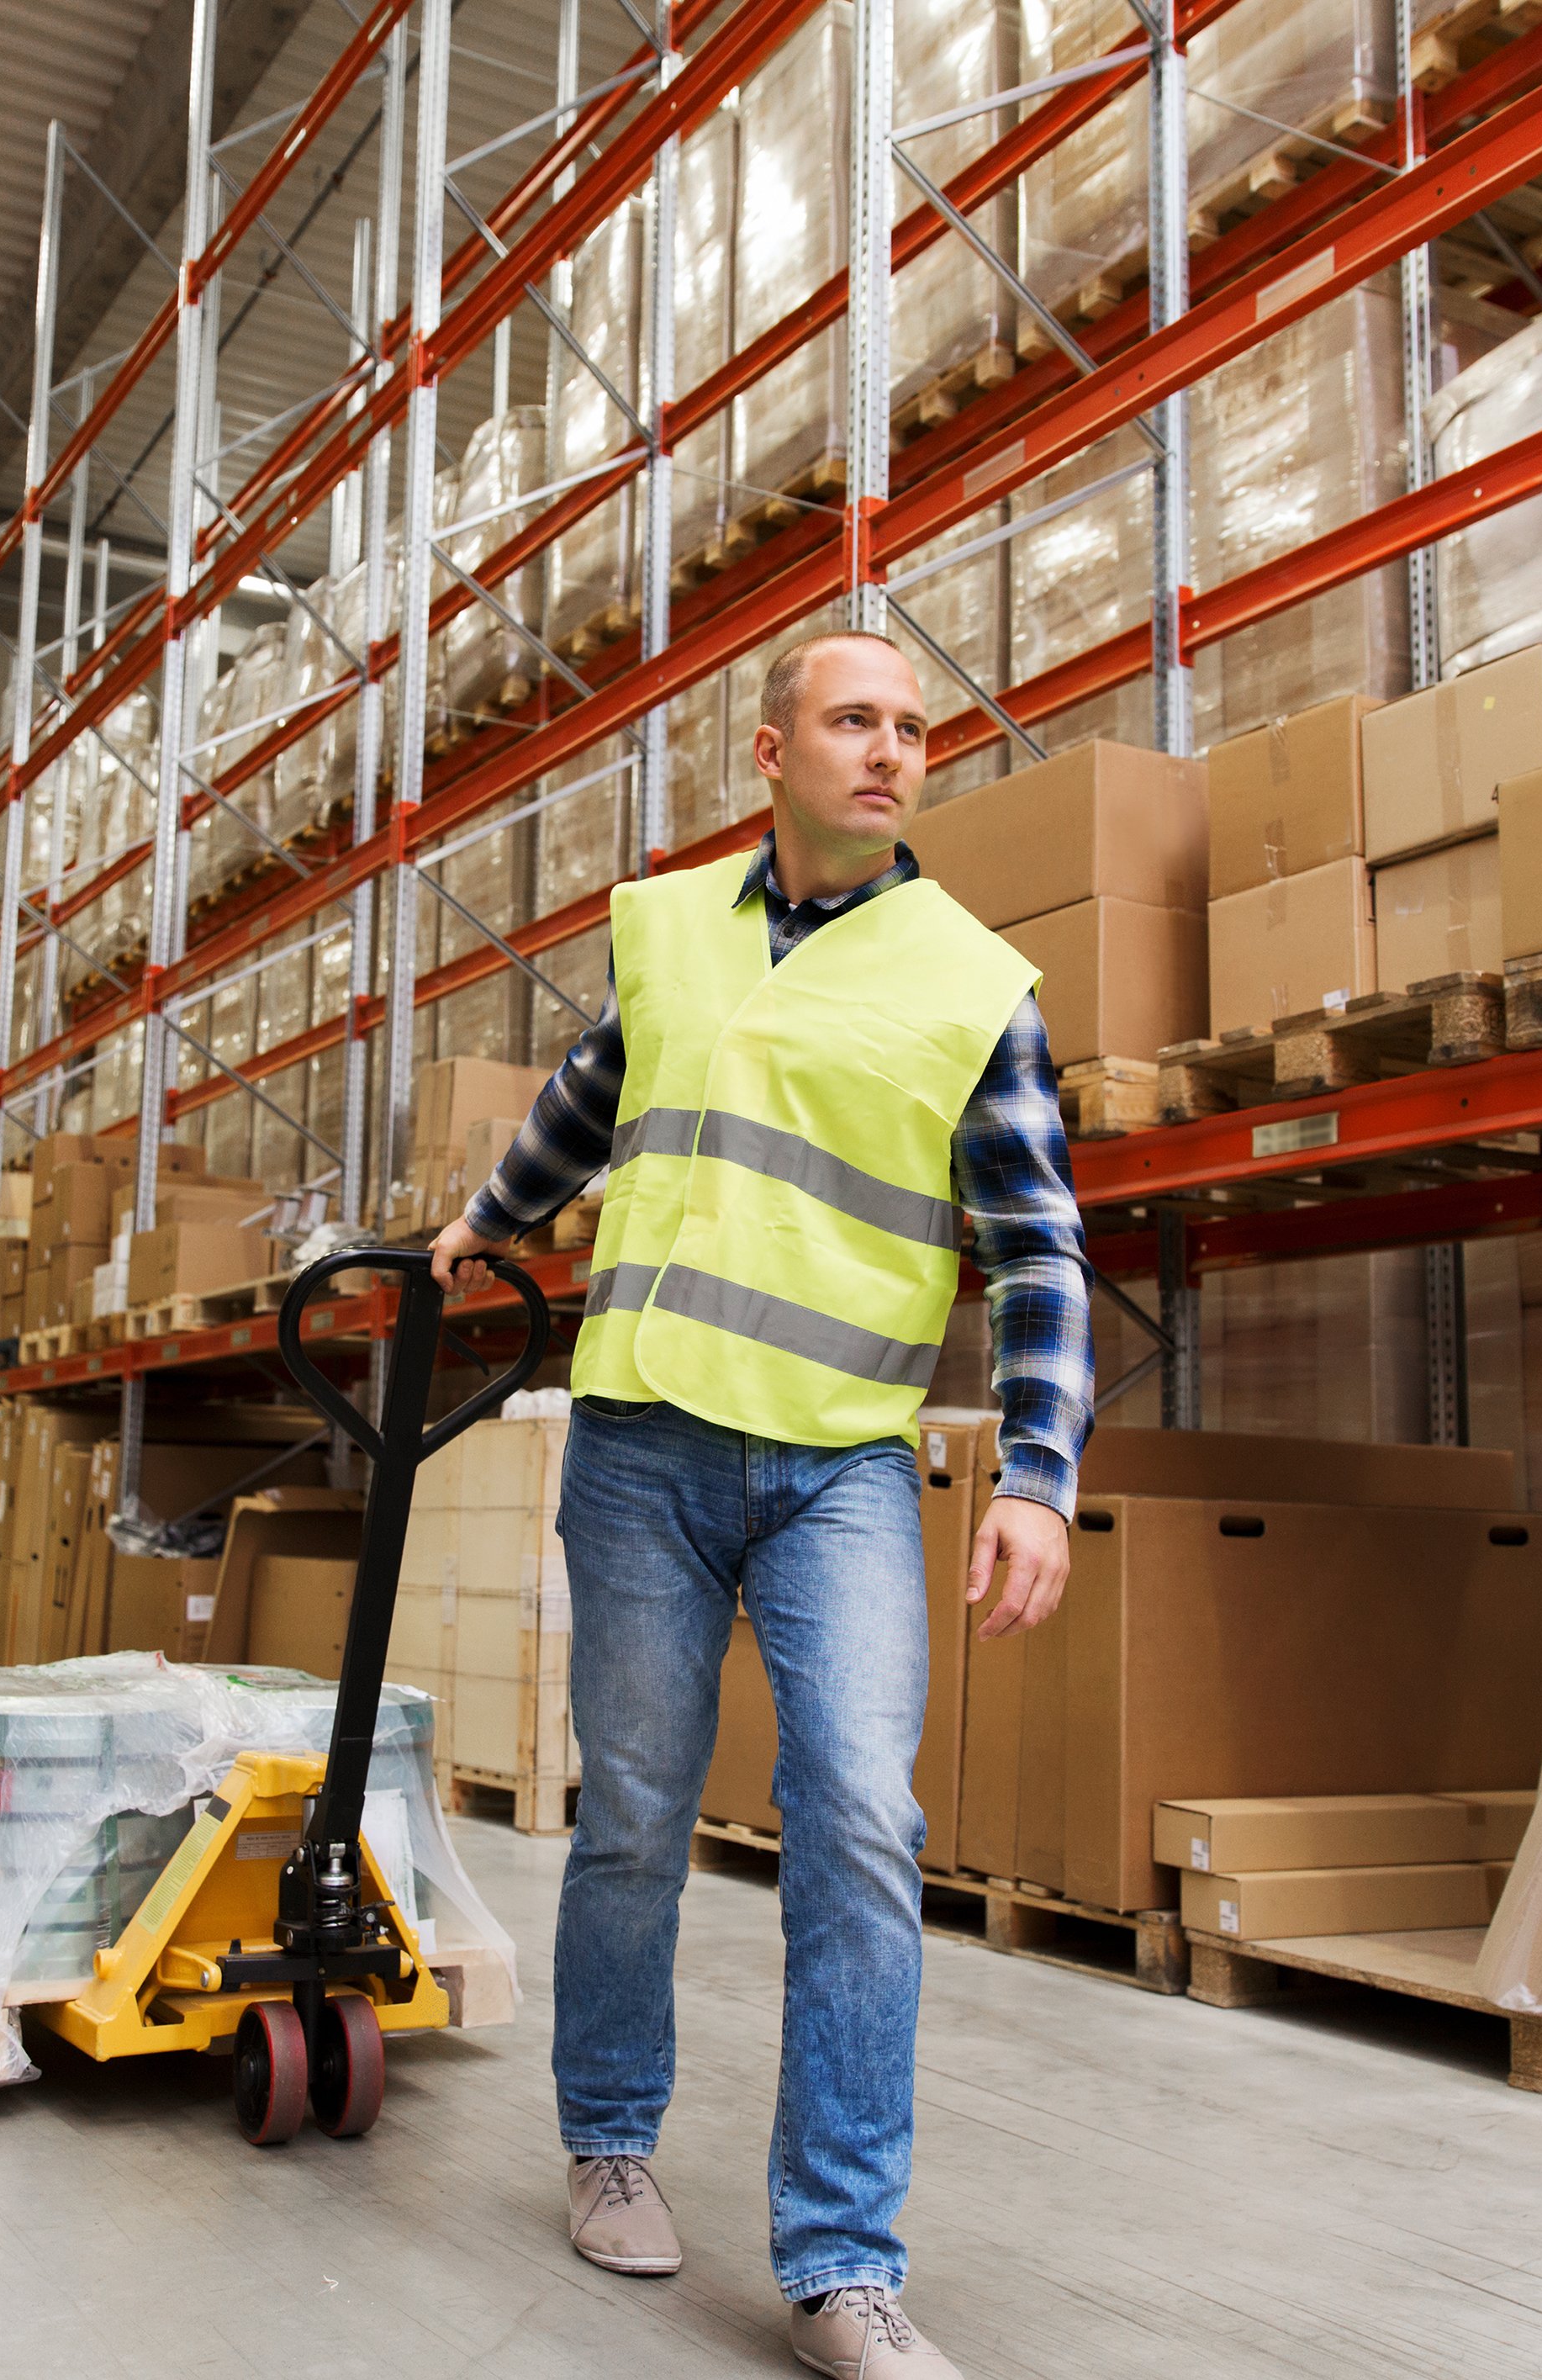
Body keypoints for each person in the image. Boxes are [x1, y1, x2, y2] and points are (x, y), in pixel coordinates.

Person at [429, 630, 1091, 2379]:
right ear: (771, 749)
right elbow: (590, 1095)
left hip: (838, 1462)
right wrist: (488, 1221)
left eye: (912, 729)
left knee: (860, 1820)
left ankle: (841, 2259)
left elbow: (1035, 1246)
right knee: (635, 1809)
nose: (890, 750)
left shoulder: (972, 981)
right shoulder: (665, 930)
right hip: (641, 1440)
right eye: (855, 720)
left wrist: (1036, 1469)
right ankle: (609, 2140)